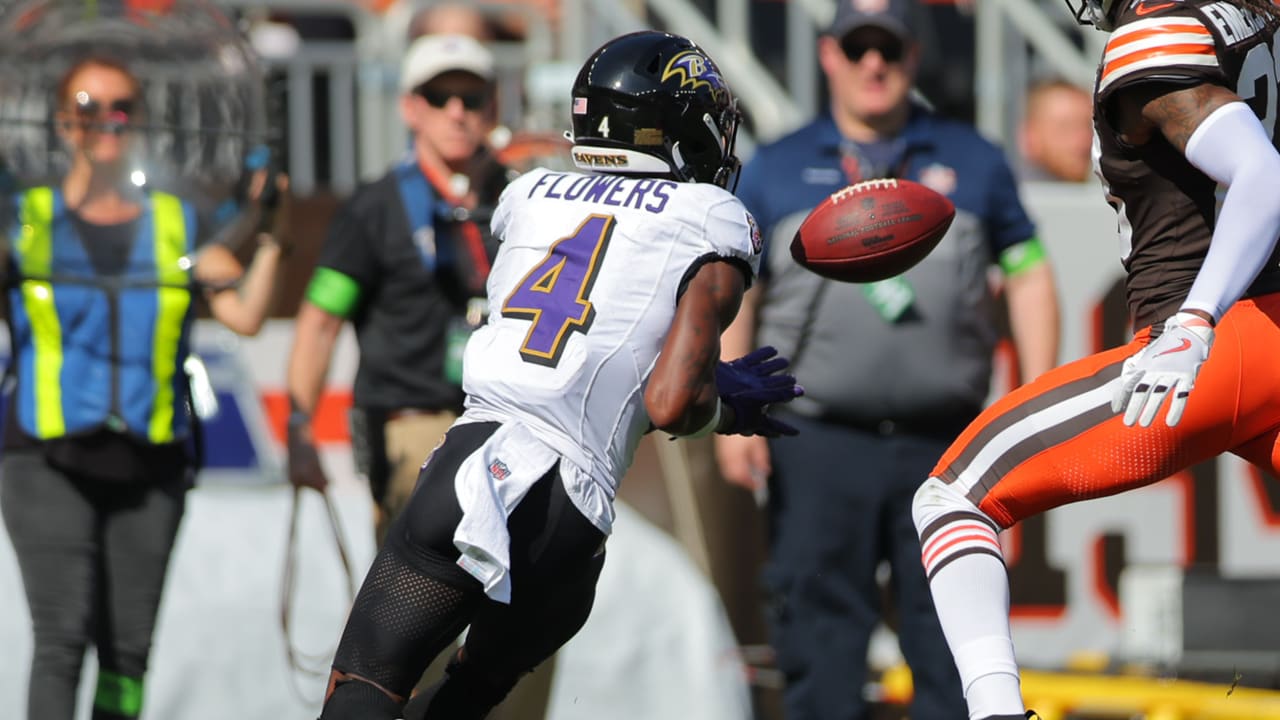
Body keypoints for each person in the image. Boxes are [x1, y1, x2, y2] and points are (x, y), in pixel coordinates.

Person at [316, 29, 803, 720]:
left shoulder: (530, 193)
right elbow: (671, 403)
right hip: (567, 515)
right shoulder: (713, 218)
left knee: (362, 692)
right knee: (465, 702)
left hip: (467, 466)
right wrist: (725, 405)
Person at [910, 0, 1280, 717]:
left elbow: (1262, 176)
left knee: (954, 496)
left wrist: (1194, 322)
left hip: (1225, 341)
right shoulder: (1248, 14)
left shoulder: (1157, 34)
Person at [712, 1, 1061, 718]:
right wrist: (733, 401)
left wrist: (1031, 407)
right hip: (816, 438)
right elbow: (735, 286)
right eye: (859, 47)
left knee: (951, 647)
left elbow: (1027, 271)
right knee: (819, 645)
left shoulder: (972, 159)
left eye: (890, 50)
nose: (875, 65)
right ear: (830, 56)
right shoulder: (778, 163)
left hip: (947, 444)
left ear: (913, 57)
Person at [0, 55, 289, 720]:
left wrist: (272, 233)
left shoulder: (173, 221)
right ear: (61, 120)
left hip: (152, 458)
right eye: (88, 107)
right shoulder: (25, 219)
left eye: (121, 107)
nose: (106, 122)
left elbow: (244, 313)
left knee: (127, 655)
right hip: (44, 456)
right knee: (61, 639)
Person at [285, 32, 510, 544]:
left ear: (492, 107)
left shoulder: (523, 198)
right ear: (410, 108)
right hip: (414, 425)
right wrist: (300, 431)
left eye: (471, 98)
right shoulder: (374, 208)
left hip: (508, 429)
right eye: (438, 98)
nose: (457, 112)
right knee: (419, 600)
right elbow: (319, 324)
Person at [1017, 77, 1095, 182]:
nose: (1083, 140)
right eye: (1066, 128)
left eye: (1089, 127)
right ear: (1030, 136)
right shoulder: (1008, 194)